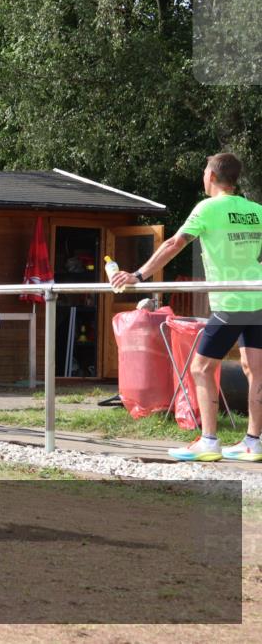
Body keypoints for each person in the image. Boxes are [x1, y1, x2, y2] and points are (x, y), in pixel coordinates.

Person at [112, 153, 262, 462]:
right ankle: (253, 441)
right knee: (256, 371)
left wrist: (139, 275)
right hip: (257, 299)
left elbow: (172, 245)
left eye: (205, 172)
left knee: (201, 368)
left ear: (211, 177)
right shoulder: (255, 210)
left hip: (230, 302)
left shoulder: (207, 208)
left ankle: (209, 440)